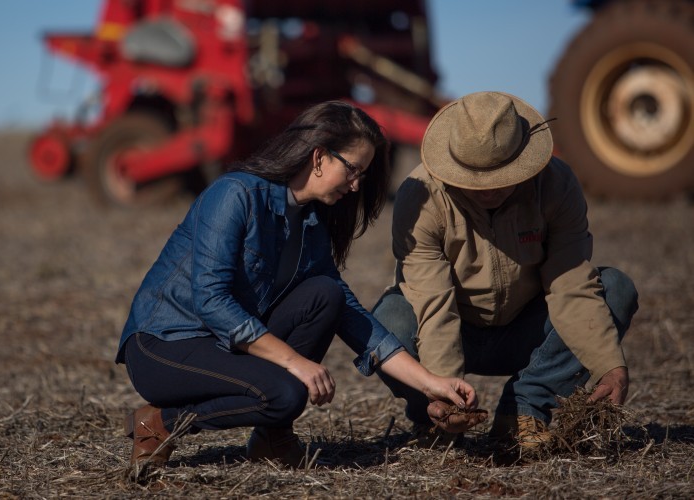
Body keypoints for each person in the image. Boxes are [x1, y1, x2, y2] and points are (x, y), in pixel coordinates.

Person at [115, 100, 482, 470]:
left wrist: (430, 383)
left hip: (221, 344)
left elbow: (353, 319)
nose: (356, 187)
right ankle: (160, 423)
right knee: (286, 393)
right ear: (319, 157)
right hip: (164, 345)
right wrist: (295, 363)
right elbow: (211, 301)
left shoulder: (310, 223)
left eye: (362, 176)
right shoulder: (235, 194)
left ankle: (270, 440)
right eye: (353, 170)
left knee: (326, 294)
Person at [372, 91, 639, 450]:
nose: (485, 191)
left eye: (499, 177)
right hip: (452, 329)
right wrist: (444, 389)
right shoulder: (420, 197)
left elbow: (572, 283)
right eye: (472, 178)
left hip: (527, 332)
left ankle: (523, 410)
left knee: (615, 289)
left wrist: (610, 365)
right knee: (389, 320)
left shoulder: (557, 185)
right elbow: (432, 304)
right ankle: (433, 418)